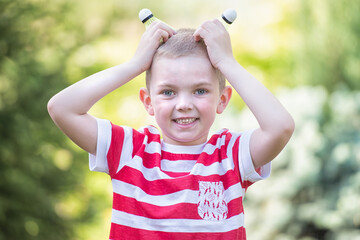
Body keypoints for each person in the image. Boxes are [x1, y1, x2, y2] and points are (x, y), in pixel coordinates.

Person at [48, 19, 295, 240]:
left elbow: (280, 127)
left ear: (222, 100)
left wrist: (227, 62)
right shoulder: (128, 150)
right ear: (148, 102)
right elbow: (61, 108)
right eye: (168, 92)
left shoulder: (231, 156)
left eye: (200, 91)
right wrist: (135, 65)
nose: (184, 105)